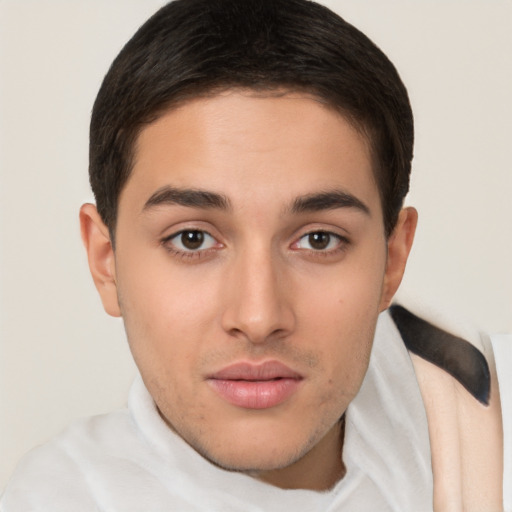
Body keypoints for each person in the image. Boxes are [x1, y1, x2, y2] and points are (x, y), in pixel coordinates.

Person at [1, 0, 510, 510]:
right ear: (105, 260)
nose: (259, 317)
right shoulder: (61, 497)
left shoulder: (482, 411)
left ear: (392, 259)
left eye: (318, 239)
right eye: (193, 239)